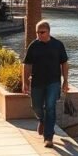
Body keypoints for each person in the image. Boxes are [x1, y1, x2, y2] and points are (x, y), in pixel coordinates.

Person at [22, 20, 69, 148]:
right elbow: (27, 65)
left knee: (50, 106)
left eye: (42, 32)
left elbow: (64, 63)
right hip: (37, 82)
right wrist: (24, 82)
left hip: (53, 82)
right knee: (36, 106)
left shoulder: (58, 45)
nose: (39, 35)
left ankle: (48, 137)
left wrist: (65, 81)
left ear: (49, 32)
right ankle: (42, 120)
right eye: (37, 32)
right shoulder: (33, 46)